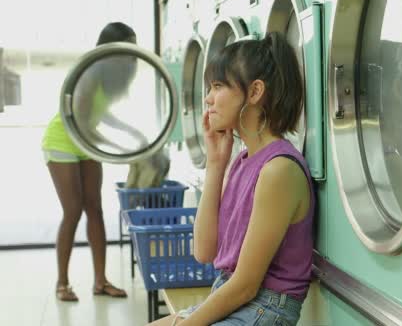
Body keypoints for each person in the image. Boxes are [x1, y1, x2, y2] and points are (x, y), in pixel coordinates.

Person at [149, 32, 314, 325]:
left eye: (218, 86)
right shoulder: (243, 161)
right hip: (232, 296)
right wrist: (215, 164)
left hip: (264, 309)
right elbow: (203, 251)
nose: (209, 99)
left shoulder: (278, 170)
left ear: (254, 92)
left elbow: (246, 286)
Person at [41, 22, 137, 302]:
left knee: (94, 208)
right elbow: (83, 122)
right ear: (110, 46)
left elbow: (99, 114)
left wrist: (131, 132)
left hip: (85, 142)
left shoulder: (114, 75)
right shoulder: (90, 72)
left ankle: (100, 281)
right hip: (62, 140)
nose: (132, 52)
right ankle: (62, 283)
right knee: (73, 210)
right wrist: (123, 148)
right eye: (127, 45)